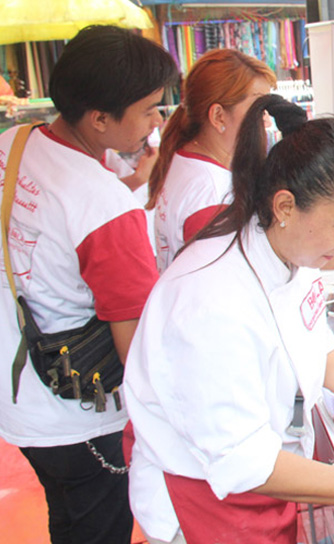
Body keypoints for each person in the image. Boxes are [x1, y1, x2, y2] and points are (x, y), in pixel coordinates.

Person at [124, 95, 334, 544]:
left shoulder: (290, 251)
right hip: (202, 501)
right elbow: (245, 463)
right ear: (285, 206)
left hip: (262, 481)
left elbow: (314, 346)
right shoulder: (210, 305)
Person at [0, 25, 177, 544]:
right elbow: (136, 349)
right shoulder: (107, 211)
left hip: (19, 393)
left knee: (68, 518)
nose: (157, 121)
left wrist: (132, 182)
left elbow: (58, 222)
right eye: (148, 109)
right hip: (79, 416)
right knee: (96, 528)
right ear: (99, 118)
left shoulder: (15, 143)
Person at [147, 49, 276, 273]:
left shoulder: (184, 158)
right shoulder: (213, 195)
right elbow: (226, 282)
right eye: (258, 110)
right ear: (218, 116)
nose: (266, 122)